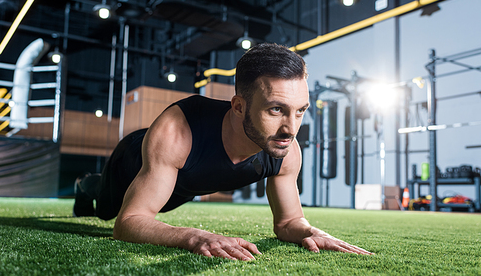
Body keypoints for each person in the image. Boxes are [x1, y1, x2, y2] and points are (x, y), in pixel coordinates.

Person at [73, 43, 373, 260]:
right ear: (239, 106)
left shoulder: (285, 150)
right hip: (134, 163)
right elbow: (128, 223)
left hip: (185, 183)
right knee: (104, 210)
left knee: (166, 203)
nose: (290, 129)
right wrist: (195, 236)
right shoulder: (177, 131)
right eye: (276, 110)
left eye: (300, 111)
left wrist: (311, 231)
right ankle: (85, 185)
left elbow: (286, 223)